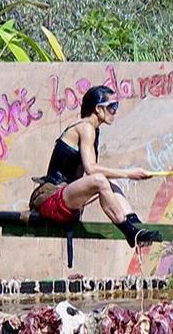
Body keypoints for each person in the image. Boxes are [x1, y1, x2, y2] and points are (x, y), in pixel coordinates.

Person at [29, 85, 162, 247]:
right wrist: (129, 173)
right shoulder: (86, 128)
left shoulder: (93, 130)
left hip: (65, 198)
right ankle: (130, 232)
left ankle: (135, 224)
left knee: (110, 181)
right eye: (112, 107)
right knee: (100, 180)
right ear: (98, 109)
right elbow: (91, 169)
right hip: (50, 201)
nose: (115, 111)